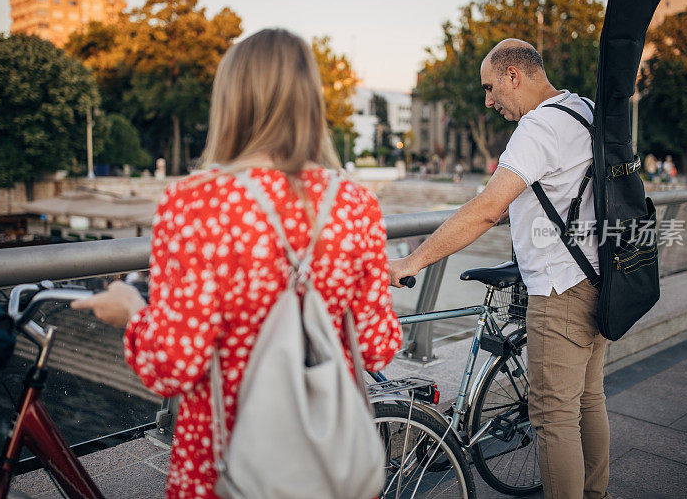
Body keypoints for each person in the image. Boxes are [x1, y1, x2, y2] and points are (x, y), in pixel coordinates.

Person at [72, 28, 402, 498]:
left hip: (227, 464)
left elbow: (173, 364)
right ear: (310, 100)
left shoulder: (195, 204)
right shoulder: (353, 204)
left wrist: (130, 311)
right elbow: (378, 346)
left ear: (230, 99)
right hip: (329, 464)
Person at [389, 38, 610, 499]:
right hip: (597, 276)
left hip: (558, 290)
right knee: (588, 400)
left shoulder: (538, 127)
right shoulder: (584, 110)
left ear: (515, 75)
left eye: (491, 88)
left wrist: (412, 260)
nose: (488, 101)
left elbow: (487, 209)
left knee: (553, 418)